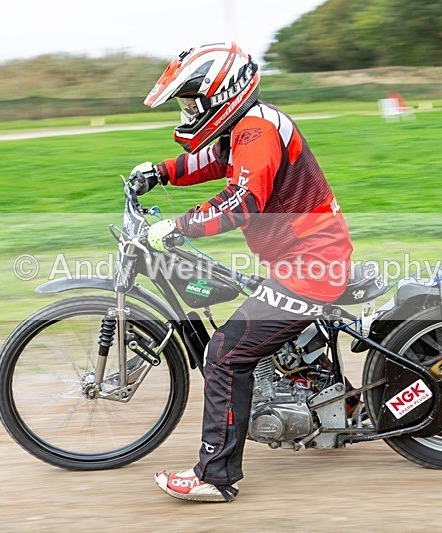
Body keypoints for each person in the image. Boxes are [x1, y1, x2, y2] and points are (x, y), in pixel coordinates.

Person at [128, 42, 353, 502]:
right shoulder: (246, 128)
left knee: (225, 353)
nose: (190, 113)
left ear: (223, 93)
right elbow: (215, 161)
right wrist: (161, 173)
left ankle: (215, 475)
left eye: (194, 103)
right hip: (300, 259)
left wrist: (180, 225)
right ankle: (335, 399)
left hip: (310, 266)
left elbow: (242, 201)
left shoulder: (257, 132)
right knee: (256, 326)